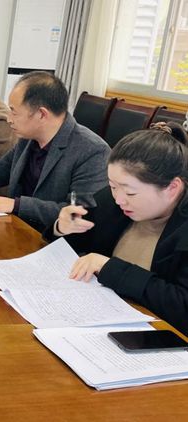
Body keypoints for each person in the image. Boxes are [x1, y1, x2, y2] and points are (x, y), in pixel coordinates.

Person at [48, 123, 188, 335]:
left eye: (131, 193)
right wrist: (63, 227)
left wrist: (110, 267)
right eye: (113, 186)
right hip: (96, 317)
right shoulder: (114, 201)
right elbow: (78, 245)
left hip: (155, 337)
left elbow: (182, 306)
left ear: (172, 188)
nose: (119, 199)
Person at [0, 71, 110, 232]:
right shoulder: (28, 137)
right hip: (15, 228)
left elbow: (78, 214)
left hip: (51, 238)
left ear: (41, 114)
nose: (8, 119)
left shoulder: (93, 151)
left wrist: (16, 205)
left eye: (14, 112)